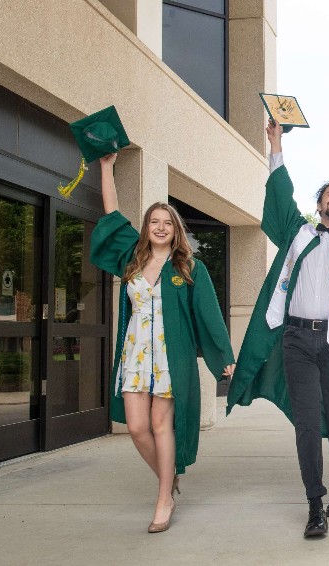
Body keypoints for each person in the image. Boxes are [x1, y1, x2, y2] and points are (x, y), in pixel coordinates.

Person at [227, 121, 329, 538]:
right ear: (319, 204)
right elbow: (279, 197)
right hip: (297, 339)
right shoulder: (296, 234)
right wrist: (275, 144)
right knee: (305, 422)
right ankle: (314, 505)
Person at [90, 152, 236, 533]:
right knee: (136, 427)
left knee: (160, 425)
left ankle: (163, 499)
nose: (159, 227)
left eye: (166, 222)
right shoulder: (132, 259)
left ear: (176, 230)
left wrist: (225, 357)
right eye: (153, 221)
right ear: (145, 228)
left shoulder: (188, 267)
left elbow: (209, 315)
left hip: (172, 358)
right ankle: (168, 479)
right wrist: (107, 167)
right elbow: (111, 215)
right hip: (136, 354)